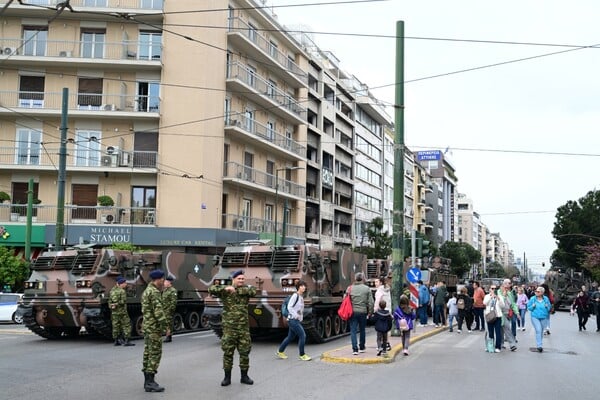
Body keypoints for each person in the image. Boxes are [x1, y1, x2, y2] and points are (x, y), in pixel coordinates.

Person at [208, 269, 257, 386]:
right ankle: (227, 378)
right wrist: (225, 288)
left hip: (243, 329)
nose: (241, 280)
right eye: (239, 279)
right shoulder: (226, 290)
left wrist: (237, 290)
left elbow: (253, 291)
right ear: (233, 279)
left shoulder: (246, 290)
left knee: (244, 353)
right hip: (229, 328)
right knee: (228, 353)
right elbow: (211, 289)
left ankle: (244, 377)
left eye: (242, 279)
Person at [141, 269, 168, 392]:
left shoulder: (147, 291)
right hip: (154, 328)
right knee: (155, 354)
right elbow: (158, 312)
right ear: (158, 279)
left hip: (147, 326)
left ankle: (147, 382)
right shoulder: (154, 292)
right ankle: (150, 382)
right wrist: (165, 327)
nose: (163, 281)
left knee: (147, 353)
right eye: (162, 279)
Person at [276, 280, 311, 361]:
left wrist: (300, 317)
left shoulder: (301, 297)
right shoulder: (295, 296)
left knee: (290, 337)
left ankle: (280, 351)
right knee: (303, 335)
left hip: (296, 320)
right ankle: (302, 355)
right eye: (301, 286)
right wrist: (295, 315)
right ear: (298, 287)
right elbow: (290, 307)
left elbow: (300, 309)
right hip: (292, 320)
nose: (303, 287)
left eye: (304, 286)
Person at [348, 272, 374, 355]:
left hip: (353, 312)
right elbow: (371, 302)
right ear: (362, 279)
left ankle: (355, 349)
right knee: (362, 330)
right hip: (363, 312)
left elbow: (345, 300)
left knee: (353, 330)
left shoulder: (350, 288)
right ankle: (362, 347)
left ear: (355, 279)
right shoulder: (366, 288)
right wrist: (370, 312)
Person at [109, 276, 135, 347]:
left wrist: (112, 306)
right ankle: (127, 340)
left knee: (116, 326)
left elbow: (109, 302)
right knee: (127, 325)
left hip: (114, 312)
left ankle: (116, 340)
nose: (126, 284)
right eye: (124, 283)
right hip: (122, 312)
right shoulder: (122, 291)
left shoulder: (112, 291)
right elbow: (123, 301)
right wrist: (116, 304)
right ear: (121, 284)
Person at [527, 286, 551, 352]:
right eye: (536, 291)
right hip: (535, 317)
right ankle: (539, 346)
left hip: (544, 317)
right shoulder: (533, 299)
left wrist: (547, 306)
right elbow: (528, 307)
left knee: (541, 331)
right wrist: (532, 306)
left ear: (542, 293)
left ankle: (539, 344)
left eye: (538, 291)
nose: (536, 292)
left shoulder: (545, 299)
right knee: (538, 330)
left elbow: (549, 308)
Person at [497, 279, 518, 351]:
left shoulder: (509, 293)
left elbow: (513, 303)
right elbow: (500, 302)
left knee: (502, 329)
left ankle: (501, 344)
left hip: (507, 313)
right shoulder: (499, 292)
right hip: (500, 313)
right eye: (509, 283)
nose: (510, 285)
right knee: (507, 328)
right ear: (504, 284)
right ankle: (512, 344)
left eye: (510, 283)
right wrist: (504, 296)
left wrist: (517, 312)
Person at [483, 285, 503, 353]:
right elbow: (485, 303)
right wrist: (491, 297)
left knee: (498, 332)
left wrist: (498, 299)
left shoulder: (499, 296)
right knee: (490, 332)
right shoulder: (487, 296)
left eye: (495, 288)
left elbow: (502, 306)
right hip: (490, 316)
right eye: (492, 288)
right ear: (490, 289)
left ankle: (498, 347)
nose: (494, 289)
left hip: (497, 316)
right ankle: (490, 346)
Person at [162, 276, 177, 343]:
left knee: (168, 324)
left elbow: (173, 302)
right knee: (166, 324)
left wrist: (170, 310)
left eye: (165, 282)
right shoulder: (165, 290)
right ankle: (168, 335)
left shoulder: (173, 290)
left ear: (169, 282)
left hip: (168, 310)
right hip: (164, 309)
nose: (164, 283)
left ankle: (168, 336)